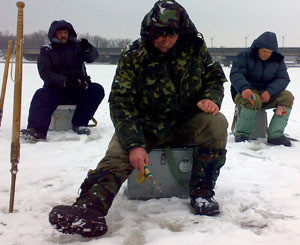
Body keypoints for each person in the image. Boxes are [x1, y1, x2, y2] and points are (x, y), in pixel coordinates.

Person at [48, 0, 228, 238]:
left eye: (171, 34)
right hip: (143, 124)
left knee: (217, 123)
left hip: (184, 122)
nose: (164, 41)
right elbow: (121, 101)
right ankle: (89, 207)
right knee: (116, 156)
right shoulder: (134, 54)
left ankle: (202, 193)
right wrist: (134, 144)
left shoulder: (195, 48)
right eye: (158, 35)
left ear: (181, 32)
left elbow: (214, 76)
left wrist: (210, 97)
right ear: (149, 32)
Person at [21, 20, 104, 141]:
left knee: (96, 89)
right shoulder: (47, 50)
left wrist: (88, 48)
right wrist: (65, 81)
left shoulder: (77, 46)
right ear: (54, 34)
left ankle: (80, 123)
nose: (63, 35)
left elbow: (93, 57)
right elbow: (45, 72)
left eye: (65, 32)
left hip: (79, 88)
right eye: (60, 33)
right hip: (56, 90)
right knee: (41, 95)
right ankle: (37, 130)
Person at [230, 31, 294, 146]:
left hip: (266, 95)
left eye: (269, 52)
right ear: (257, 48)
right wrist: (244, 88)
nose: (266, 54)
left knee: (287, 97)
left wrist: (269, 92)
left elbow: (283, 79)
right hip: (245, 94)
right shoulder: (243, 56)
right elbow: (236, 74)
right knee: (253, 99)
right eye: (264, 51)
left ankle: (275, 135)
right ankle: (242, 134)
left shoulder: (278, 60)